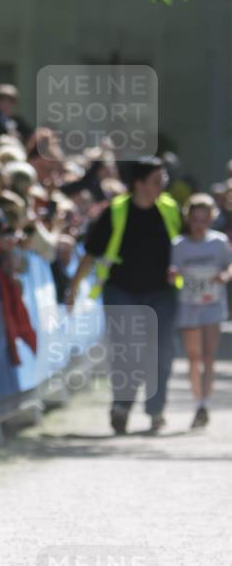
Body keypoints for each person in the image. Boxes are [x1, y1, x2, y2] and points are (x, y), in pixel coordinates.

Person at [66, 157, 181, 434]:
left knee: (160, 353)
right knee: (126, 352)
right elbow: (91, 253)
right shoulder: (116, 211)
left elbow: (185, 244)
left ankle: (156, 411)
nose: (162, 185)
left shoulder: (169, 209)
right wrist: (73, 288)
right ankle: (122, 405)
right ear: (139, 184)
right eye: (156, 180)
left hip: (162, 294)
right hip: (122, 291)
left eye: (163, 180)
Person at [171, 194, 232, 428]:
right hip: (189, 306)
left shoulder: (218, 242)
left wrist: (225, 275)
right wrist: (173, 275)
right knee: (194, 357)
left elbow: (228, 264)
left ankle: (203, 404)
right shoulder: (179, 245)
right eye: (195, 219)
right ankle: (198, 398)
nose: (199, 224)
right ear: (189, 219)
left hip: (213, 305)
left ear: (210, 220)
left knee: (209, 356)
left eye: (204, 219)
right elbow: (173, 271)